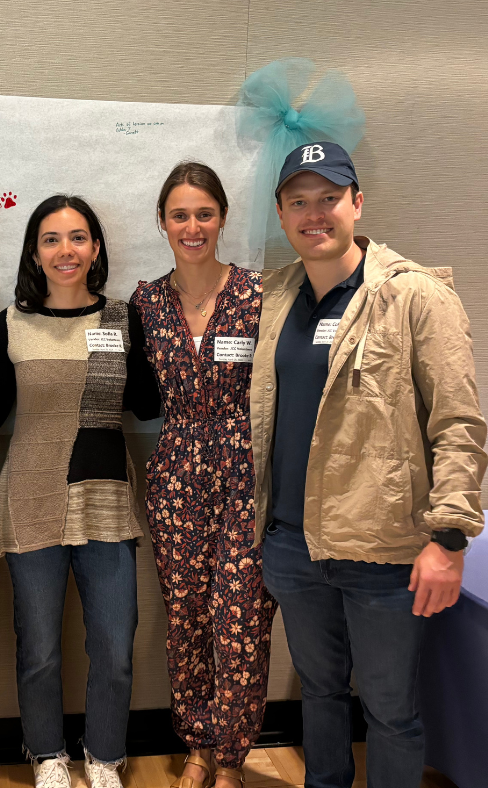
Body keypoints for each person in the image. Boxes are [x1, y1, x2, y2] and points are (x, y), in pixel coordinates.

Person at [252, 141, 487, 788]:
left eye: (329, 198)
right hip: (293, 547)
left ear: (357, 202)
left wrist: (447, 538)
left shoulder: (414, 297)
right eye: (299, 201)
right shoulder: (274, 299)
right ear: (281, 213)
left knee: (390, 711)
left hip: (383, 552)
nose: (314, 214)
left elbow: (460, 425)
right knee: (320, 696)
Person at [0, 195, 160, 788]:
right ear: (35, 251)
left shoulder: (122, 319)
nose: (66, 251)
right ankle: (47, 754)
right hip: (30, 496)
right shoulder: (10, 323)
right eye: (52, 239)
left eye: (78, 237)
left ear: (97, 248)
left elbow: (149, 404)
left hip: (105, 495)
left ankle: (106, 754)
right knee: (38, 646)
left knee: (114, 643)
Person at [131, 163, 276, 788]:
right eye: (179, 215)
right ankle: (195, 746)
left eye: (205, 213)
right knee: (186, 617)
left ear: (222, 218)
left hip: (246, 474)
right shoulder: (145, 301)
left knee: (240, 618)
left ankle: (230, 756)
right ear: (162, 223)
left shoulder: (258, 294)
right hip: (174, 477)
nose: (193, 227)